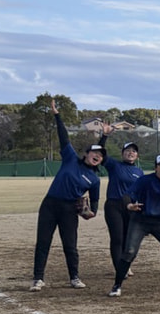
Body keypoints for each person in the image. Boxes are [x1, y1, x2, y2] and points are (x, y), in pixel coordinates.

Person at [30, 99, 104, 291]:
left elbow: (95, 200)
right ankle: (38, 279)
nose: (97, 156)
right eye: (94, 153)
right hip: (50, 205)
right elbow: (64, 137)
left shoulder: (94, 179)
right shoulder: (71, 159)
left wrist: (92, 212)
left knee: (70, 245)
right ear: (86, 154)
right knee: (43, 242)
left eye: (101, 155)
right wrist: (57, 115)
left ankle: (74, 277)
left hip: (70, 209)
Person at [109, 154, 160, 296]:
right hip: (140, 220)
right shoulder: (145, 180)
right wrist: (129, 205)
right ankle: (117, 285)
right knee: (129, 252)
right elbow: (127, 195)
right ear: (156, 168)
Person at [97, 130, 147, 275]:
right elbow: (100, 153)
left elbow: (141, 192)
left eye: (133, 151)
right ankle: (119, 268)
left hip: (131, 207)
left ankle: (125, 264)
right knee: (117, 237)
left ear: (137, 155)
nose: (130, 153)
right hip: (114, 205)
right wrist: (104, 136)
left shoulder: (139, 171)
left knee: (128, 237)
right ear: (122, 153)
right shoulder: (114, 165)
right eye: (127, 150)